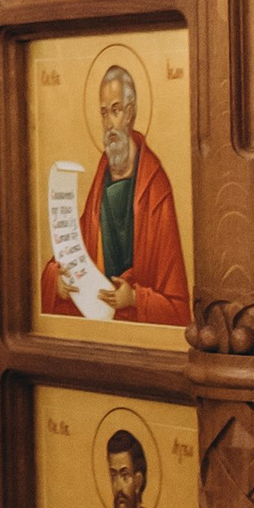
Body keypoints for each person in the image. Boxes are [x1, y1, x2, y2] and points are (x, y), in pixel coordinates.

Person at [41, 57, 188, 328]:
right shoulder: (101, 179)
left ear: (130, 113)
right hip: (99, 318)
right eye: (104, 113)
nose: (109, 123)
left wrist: (134, 298)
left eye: (116, 110)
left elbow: (177, 306)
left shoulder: (155, 188)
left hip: (136, 324)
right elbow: (74, 248)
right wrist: (56, 281)